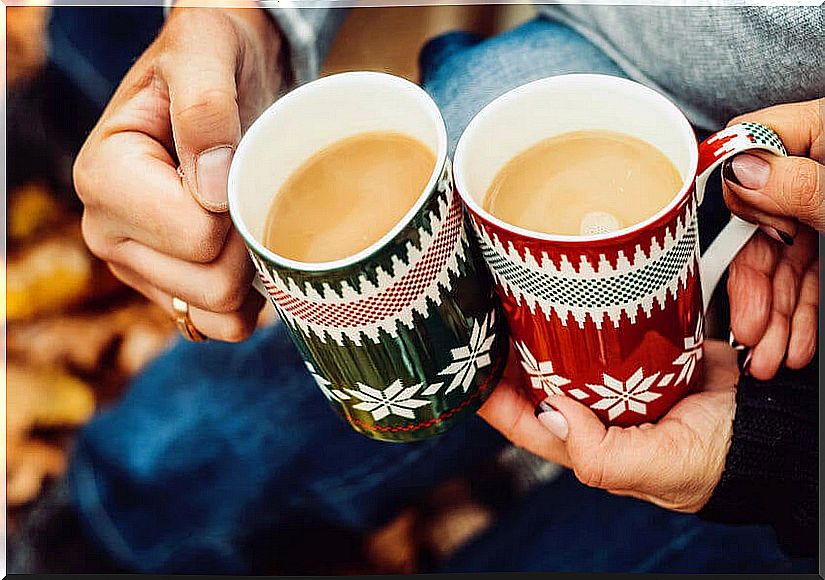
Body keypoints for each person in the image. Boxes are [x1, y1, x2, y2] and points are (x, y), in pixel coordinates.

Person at [11, 3, 820, 574]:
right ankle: (107, 529)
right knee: (311, 351)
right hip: (618, 44)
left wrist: (788, 463)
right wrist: (250, 14)